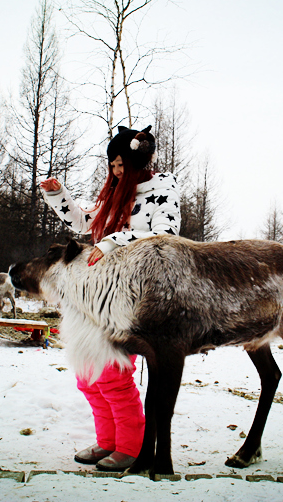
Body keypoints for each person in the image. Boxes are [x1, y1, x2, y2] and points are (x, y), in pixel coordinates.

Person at [39, 125, 181, 472]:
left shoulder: (163, 187)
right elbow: (85, 223)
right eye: (112, 166)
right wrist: (60, 195)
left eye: (122, 165)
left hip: (135, 292)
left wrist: (112, 241)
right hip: (98, 293)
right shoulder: (115, 191)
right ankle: (108, 440)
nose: (116, 172)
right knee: (88, 375)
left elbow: (166, 235)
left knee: (113, 375)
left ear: (137, 161)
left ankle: (131, 447)